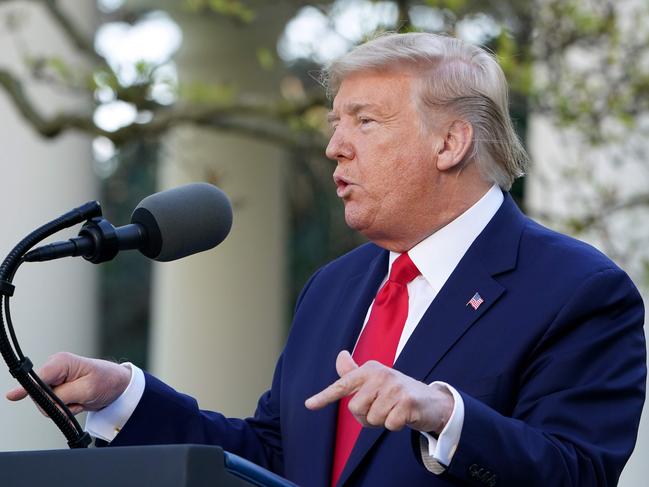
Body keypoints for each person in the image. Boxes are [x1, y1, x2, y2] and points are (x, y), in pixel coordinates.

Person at [6, 33, 646, 487]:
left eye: (365, 122)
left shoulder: (580, 290)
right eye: (335, 123)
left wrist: (445, 416)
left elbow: (579, 472)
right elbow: (276, 458)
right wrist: (126, 398)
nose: (335, 147)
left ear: (451, 142)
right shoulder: (335, 287)